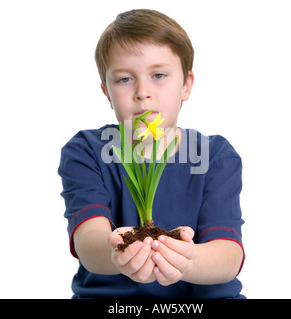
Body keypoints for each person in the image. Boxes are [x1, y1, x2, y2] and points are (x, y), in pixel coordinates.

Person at [58, 9, 245, 299]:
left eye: (158, 75)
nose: (143, 92)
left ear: (186, 85)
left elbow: (229, 255)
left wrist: (188, 260)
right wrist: (119, 252)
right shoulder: (87, 151)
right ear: (106, 92)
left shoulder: (215, 155)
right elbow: (89, 243)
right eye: (124, 79)